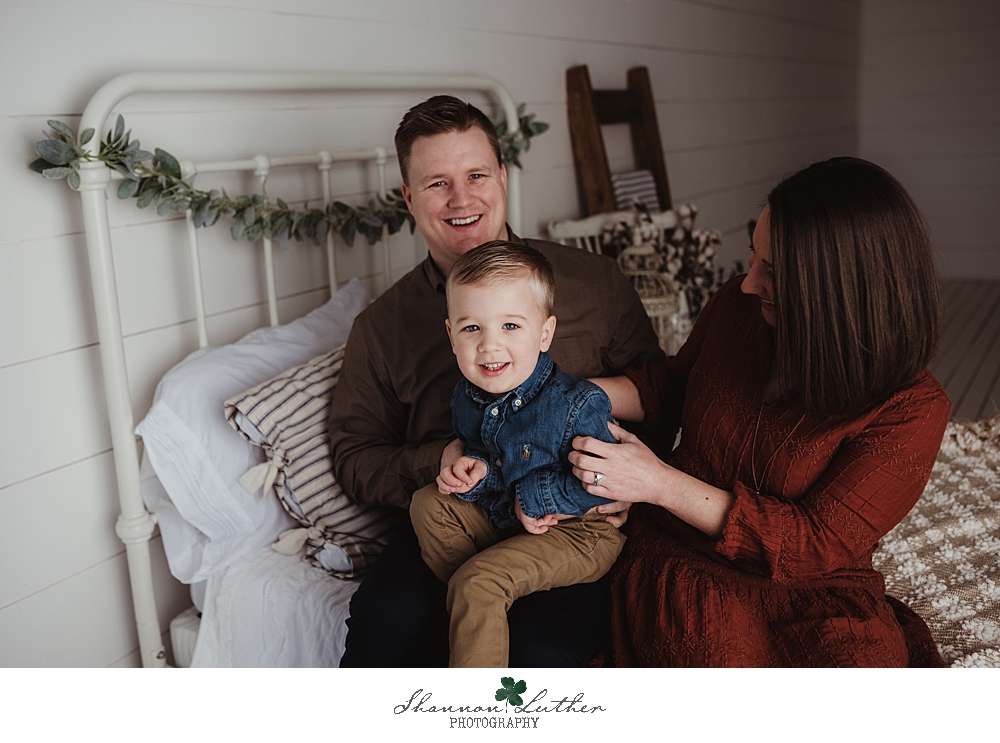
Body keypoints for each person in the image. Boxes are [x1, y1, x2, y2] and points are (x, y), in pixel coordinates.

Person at [568, 157, 951, 667]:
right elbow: (672, 386)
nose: (748, 283)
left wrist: (658, 482)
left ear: (838, 292)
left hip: (817, 588)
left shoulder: (913, 409)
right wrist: (566, 391)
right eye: (754, 255)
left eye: (771, 271)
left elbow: (812, 545)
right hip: (688, 557)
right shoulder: (737, 306)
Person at [329, 95, 664, 667]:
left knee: (541, 649)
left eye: (476, 175)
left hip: (569, 514)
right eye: (437, 183)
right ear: (408, 197)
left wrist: (618, 468)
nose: (461, 200)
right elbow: (354, 456)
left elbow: (665, 393)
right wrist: (441, 459)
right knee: (383, 624)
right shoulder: (381, 328)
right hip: (462, 511)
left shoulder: (594, 282)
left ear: (503, 178)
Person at [410, 241, 625, 667]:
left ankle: (482, 605)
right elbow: (492, 460)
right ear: (451, 335)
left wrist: (533, 498)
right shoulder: (467, 396)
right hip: (509, 521)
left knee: (478, 581)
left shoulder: (577, 403)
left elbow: (605, 483)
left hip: (580, 531)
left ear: (544, 334)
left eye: (510, 326)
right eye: (472, 328)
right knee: (427, 504)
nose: (489, 346)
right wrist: (474, 471)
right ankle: (486, 611)